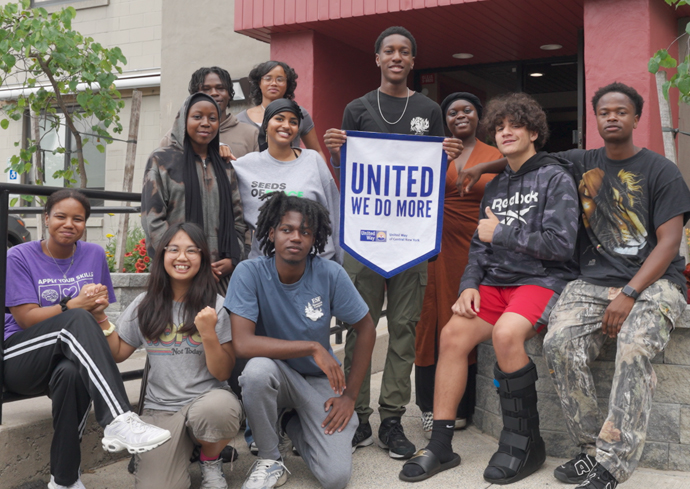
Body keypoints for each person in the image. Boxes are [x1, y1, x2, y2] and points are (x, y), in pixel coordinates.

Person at [458, 83, 690, 488]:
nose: (612, 117)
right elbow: (525, 160)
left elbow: (670, 243)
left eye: (621, 111)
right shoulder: (580, 161)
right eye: (604, 112)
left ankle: (612, 464)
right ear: (596, 118)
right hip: (594, 279)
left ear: (636, 118)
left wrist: (630, 294)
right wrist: (481, 169)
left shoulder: (661, 171)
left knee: (634, 346)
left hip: (655, 282)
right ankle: (589, 451)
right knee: (559, 343)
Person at [399, 93, 579, 484]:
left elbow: (561, 245)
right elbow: (479, 247)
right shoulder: (495, 184)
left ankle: (523, 441)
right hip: (495, 284)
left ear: (534, 132)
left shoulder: (554, 176)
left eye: (515, 125)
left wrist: (503, 232)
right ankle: (441, 446)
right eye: (499, 127)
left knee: (507, 334)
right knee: (451, 335)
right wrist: (468, 285)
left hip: (541, 280)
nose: (506, 132)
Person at [323, 25, 463, 459]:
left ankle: (391, 420)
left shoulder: (428, 109)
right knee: (357, 326)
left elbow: (437, 173)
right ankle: (358, 415)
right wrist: (334, 151)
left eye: (405, 51)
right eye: (389, 50)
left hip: (411, 240)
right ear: (378, 58)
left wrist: (449, 157)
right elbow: (348, 170)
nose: (397, 57)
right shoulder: (357, 108)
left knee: (403, 329)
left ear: (413, 62)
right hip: (364, 241)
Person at [3, 189, 171, 489]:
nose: (69, 223)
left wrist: (97, 305)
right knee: (77, 319)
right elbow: (25, 319)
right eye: (60, 216)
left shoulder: (93, 254)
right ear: (46, 219)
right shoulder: (18, 255)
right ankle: (119, 419)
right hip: (20, 356)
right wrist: (72, 305)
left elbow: (97, 310)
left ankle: (64, 481)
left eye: (78, 219)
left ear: (85, 223)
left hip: (64, 357)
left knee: (71, 374)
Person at [224, 193, 376, 489]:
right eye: (287, 229)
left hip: (316, 382)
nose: (296, 237)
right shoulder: (249, 273)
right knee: (256, 371)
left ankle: (290, 424)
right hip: (274, 378)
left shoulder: (330, 273)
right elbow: (242, 343)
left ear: (314, 238)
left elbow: (367, 327)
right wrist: (311, 347)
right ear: (271, 233)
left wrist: (350, 397)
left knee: (335, 478)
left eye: (305, 232)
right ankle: (270, 459)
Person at [105, 223, 242, 489]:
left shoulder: (216, 305)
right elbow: (119, 352)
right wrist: (101, 318)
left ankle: (210, 459)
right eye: (174, 250)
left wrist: (208, 333)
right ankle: (184, 447)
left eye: (192, 251)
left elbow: (223, 372)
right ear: (162, 255)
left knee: (218, 410)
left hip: (206, 402)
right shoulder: (145, 304)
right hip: (160, 411)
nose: (182, 257)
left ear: (202, 259)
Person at [415, 92, 502, 439]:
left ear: (479, 116)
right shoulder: (434, 151)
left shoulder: (496, 155)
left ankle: (462, 407)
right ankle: (427, 406)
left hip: (479, 251)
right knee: (428, 320)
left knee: (465, 319)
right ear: (445, 120)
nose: (460, 115)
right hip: (434, 250)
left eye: (467, 110)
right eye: (452, 112)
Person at [142, 92, 249, 294]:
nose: (206, 123)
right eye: (197, 117)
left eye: (212, 118)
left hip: (220, 276)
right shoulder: (163, 160)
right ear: (183, 120)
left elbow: (238, 220)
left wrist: (233, 259)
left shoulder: (225, 166)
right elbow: (153, 219)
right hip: (176, 274)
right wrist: (184, 260)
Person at [233, 98, 342, 263]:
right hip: (265, 268)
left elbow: (335, 213)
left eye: (293, 122)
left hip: (315, 263)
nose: (286, 125)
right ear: (265, 124)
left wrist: (339, 266)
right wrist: (218, 148)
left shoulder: (313, 160)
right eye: (279, 119)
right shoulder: (244, 166)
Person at [236, 60, 327, 161]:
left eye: (280, 79)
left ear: (287, 84)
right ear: (259, 83)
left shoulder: (299, 113)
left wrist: (322, 174)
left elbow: (316, 151)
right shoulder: (241, 119)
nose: (274, 83)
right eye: (268, 78)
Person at [161, 66, 260, 159]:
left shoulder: (251, 134)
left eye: (220, 88)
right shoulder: (174, 136)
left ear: (229, 94)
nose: (214, 93)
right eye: (206, 89)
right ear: (195, 96)